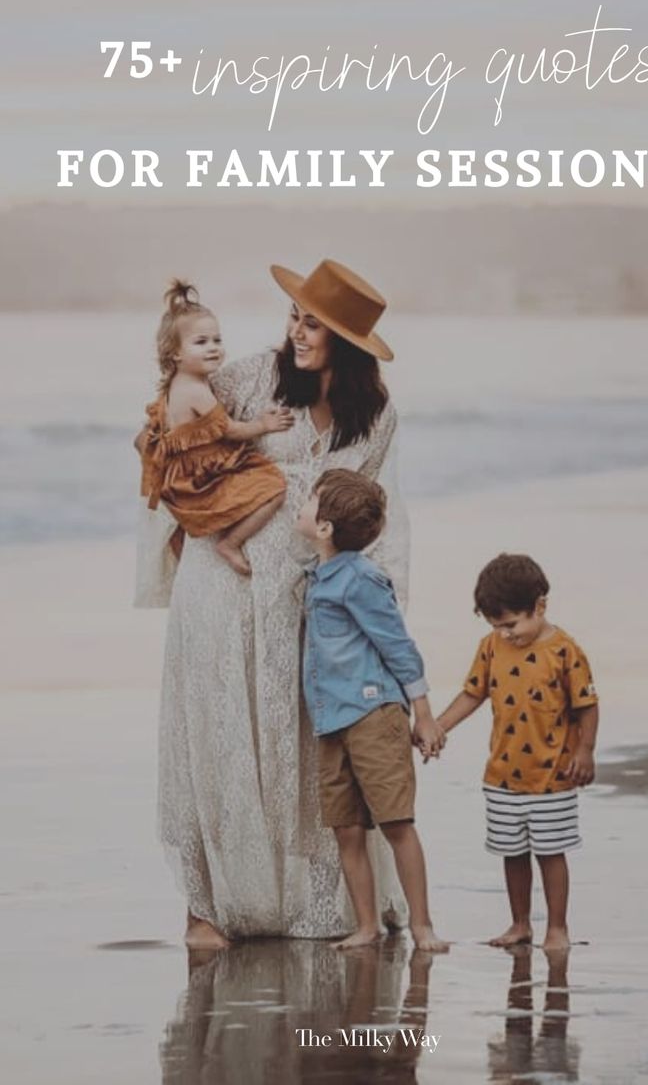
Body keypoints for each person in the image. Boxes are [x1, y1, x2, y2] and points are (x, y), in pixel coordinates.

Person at [136, 259, 412, 948]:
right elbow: (167, 434)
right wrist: (192, 525)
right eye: (295, 316)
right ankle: (207, 910)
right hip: (220, 584)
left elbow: (373, 513)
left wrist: (373, 611)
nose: (296, 332)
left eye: (313, 323)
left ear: (347, 341)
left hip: (309, 598)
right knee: (221, 737)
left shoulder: (374, 415)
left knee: (299, 743)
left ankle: (317, 906)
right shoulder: (247, 377)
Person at [296, 468, 448, 951]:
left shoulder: (360, 578)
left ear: (324, 528)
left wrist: (422, 714)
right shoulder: (317, 574)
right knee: (345, 827)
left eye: (309, 501)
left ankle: (423, 925)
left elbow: (398, 645)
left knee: (396, 822)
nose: (301, 506)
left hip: (372, 713)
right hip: (331, 719)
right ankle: (366, 925)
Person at [437, 554, 599, 950]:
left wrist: (585, 751)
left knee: (550, 852)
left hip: (553, 777)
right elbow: (473, 692)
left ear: (540, 606)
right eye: (497, 626)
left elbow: (586, 705)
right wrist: (438, 726)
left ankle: (557, 927)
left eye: (511, 624)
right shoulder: (491, 647)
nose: (505, 634)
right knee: (512, 853)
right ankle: (520, 923)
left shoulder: (565, 651)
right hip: (503, 774)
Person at [136, 280, 289, 576]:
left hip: (178, 473)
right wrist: (263, 424)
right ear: (175, 354)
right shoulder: (195, 389)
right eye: (201, 342)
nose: (213, 349)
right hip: (198, 476)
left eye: (217, 340)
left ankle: (186, 551)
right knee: (273, 489)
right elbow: (229, 430)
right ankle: (231, 543)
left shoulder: (174, 385)